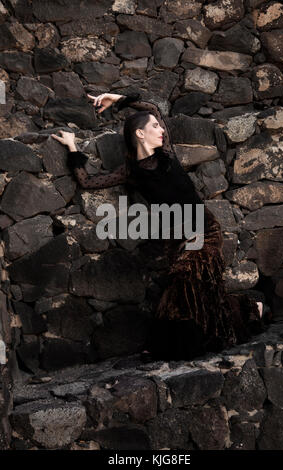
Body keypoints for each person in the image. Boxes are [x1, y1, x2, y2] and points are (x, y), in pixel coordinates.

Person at [51, 92, 268, 361]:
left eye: (159, 125)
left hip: (204, 231)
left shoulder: (168, 154)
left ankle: (190, 338)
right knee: (197, 296)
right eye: (154, 126)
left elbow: (153, 105)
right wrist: (72, 146)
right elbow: (88, 182)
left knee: (189, 282)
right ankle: (248, 309)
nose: (161, 129)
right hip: (177, 240)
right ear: (139, 134)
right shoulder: (131, 171)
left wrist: (115, 99)